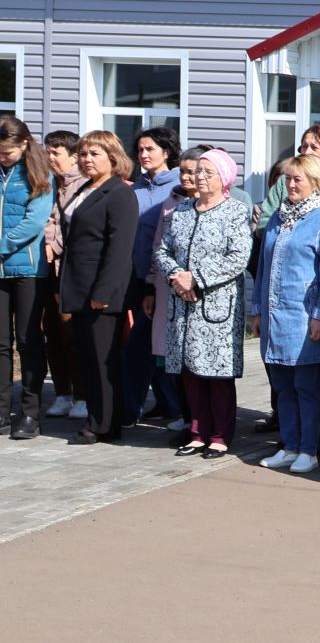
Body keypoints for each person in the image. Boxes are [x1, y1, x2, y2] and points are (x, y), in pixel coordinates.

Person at [155, 148, 251, 460]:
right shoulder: (182, 210)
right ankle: (197, 433)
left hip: (217, 309)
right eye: (198, 171)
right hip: (182, 305)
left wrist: (196, 278)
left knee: (216, 375)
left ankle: (220, 436)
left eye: (208, 172)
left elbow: (237, 258)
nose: (199, 177)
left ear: (223, 178)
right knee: (189, 374)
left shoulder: (235, 211)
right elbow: (162, 250)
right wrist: (176, 278)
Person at [253, 154, 320, 474]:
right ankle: (289, 445)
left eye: (297, 179)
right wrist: (257, 310)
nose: (290, 185)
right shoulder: (280, 217)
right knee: (282, 386)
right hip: (273, 316)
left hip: (304, 318)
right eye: (288, 179)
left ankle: (309, 448)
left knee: (306, 386)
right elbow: (262, 267)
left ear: (315, 182)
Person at [58, 131, 139, 444]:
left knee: (102, 360)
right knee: (88, 358)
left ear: (113, 158)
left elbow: (119, 249)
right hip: (78, 287)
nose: (86, 159)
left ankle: (103, 423)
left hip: (100, 292)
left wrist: (102, 294)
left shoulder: (119, 193)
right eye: (83, 154)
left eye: (94, 154)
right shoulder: (86, 188)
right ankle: (102, 418)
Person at [143, 145, 208, 437]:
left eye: (193, 171)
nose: (186, 176)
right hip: (168, 288)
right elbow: (159, 246)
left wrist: (190, 279)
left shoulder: (217, 204)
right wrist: (152, 284)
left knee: (197, 358)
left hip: (198, 290)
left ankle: (201, 419)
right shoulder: (172, 201)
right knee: (173, 357)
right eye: (182, 171)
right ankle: (184, 413)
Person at [124, 125, 182, 428]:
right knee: (150, 343)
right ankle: (167, 404)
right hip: (136, 276)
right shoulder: (135, 188)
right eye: (140, 149)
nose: (143, 155)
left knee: (147, 344)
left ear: (167, 152)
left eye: (150, 149)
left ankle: (130, 408)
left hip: (163, 279)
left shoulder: (176, 187)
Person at [0, 114, 53, 440]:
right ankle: (1, 412)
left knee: (29, 341)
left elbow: (34, 223)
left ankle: (30, 413)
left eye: (7, 152)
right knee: (1, 345)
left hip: (28, 270)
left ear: (23, 144)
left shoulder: (38, 173)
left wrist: (1, 245)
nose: (2, 158)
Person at [40, 131, 83, 422]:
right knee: (51, 334)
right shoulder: (46, 183)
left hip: (69, 268)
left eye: (57, 153)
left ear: (73, 155)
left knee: (73, 335)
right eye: (48, 152)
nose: (51, 158)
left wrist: (51, 242)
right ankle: (62, 393)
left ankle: (82, 395)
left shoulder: (83, 184)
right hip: (46, 270)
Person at [259, 125, 320, 226]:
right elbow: (263, 223)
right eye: (304, 146)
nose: (307, 152)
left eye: (314, 147)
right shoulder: (285, 180)